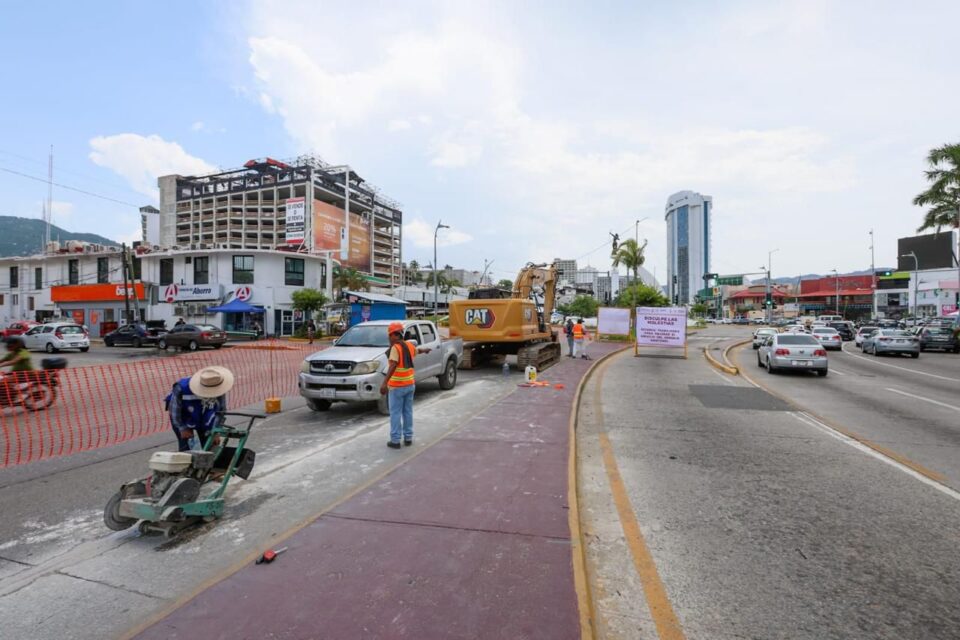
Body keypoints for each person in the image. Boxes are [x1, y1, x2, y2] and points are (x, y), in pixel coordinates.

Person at [379, 322, 431, 449]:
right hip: (410, 385)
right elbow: (417, 350)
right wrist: (425, 350)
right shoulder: (408, 345)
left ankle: (395, 440)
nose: (389, 338)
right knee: (407, 412)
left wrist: (384, 383)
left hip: (397, 387)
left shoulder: (395, 348)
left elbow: (393, 365)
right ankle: (408, 438)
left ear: (394, 334)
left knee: (395, 413)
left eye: (389, 335)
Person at [166, 366, 234, 452]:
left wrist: (216, 431)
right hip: (183, 415)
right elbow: (174, 412)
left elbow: (221, 411)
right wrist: (183, 428)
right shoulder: (181, 388)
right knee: (186, 448)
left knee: (209, 445)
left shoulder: (219, 387)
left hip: (205, 414)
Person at [0, 337, 34, 402]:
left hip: (25, 374)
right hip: (15, 373)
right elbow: (2, 360)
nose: (8, 345)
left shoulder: (25, 352)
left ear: (18, 345)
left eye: (11, 344)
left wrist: (1, 365)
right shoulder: (12, 353)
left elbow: (14, 361)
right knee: (2, 379)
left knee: (4, 382)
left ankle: (12, 397)